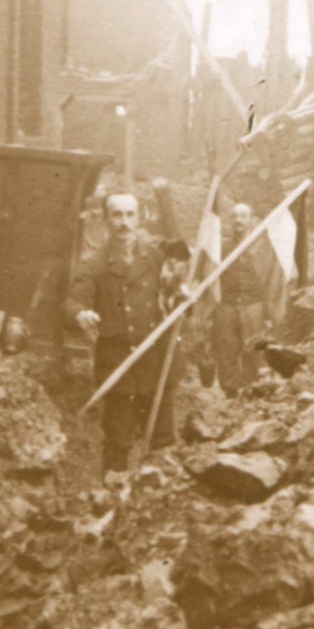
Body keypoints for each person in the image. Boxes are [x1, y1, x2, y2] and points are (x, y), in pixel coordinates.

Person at [64, 191, 183, 475]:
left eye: (130, 215)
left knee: (163, 443)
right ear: (106, 219)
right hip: (120, 369)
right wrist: (81, 313)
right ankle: (111, 502)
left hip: (157, 365)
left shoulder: (155, 257)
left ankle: (159, 503)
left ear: (138, 218)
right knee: (118, 442)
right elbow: (72, 301)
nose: (124, 223)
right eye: (117, 215)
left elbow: (175, 295)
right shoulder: (94, 263)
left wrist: (182, 301)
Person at [211, 201, 274, 396]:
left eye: (243, 216)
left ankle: (252, 390)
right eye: (235, 216)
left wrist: (268, 314)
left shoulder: (260, 247)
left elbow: (269, 280)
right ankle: (230, 392)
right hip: (227, 306)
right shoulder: (221, 247)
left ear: (251, 219)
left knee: (253, 350)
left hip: (253, 306)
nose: (238, 220)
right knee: (226, 349)